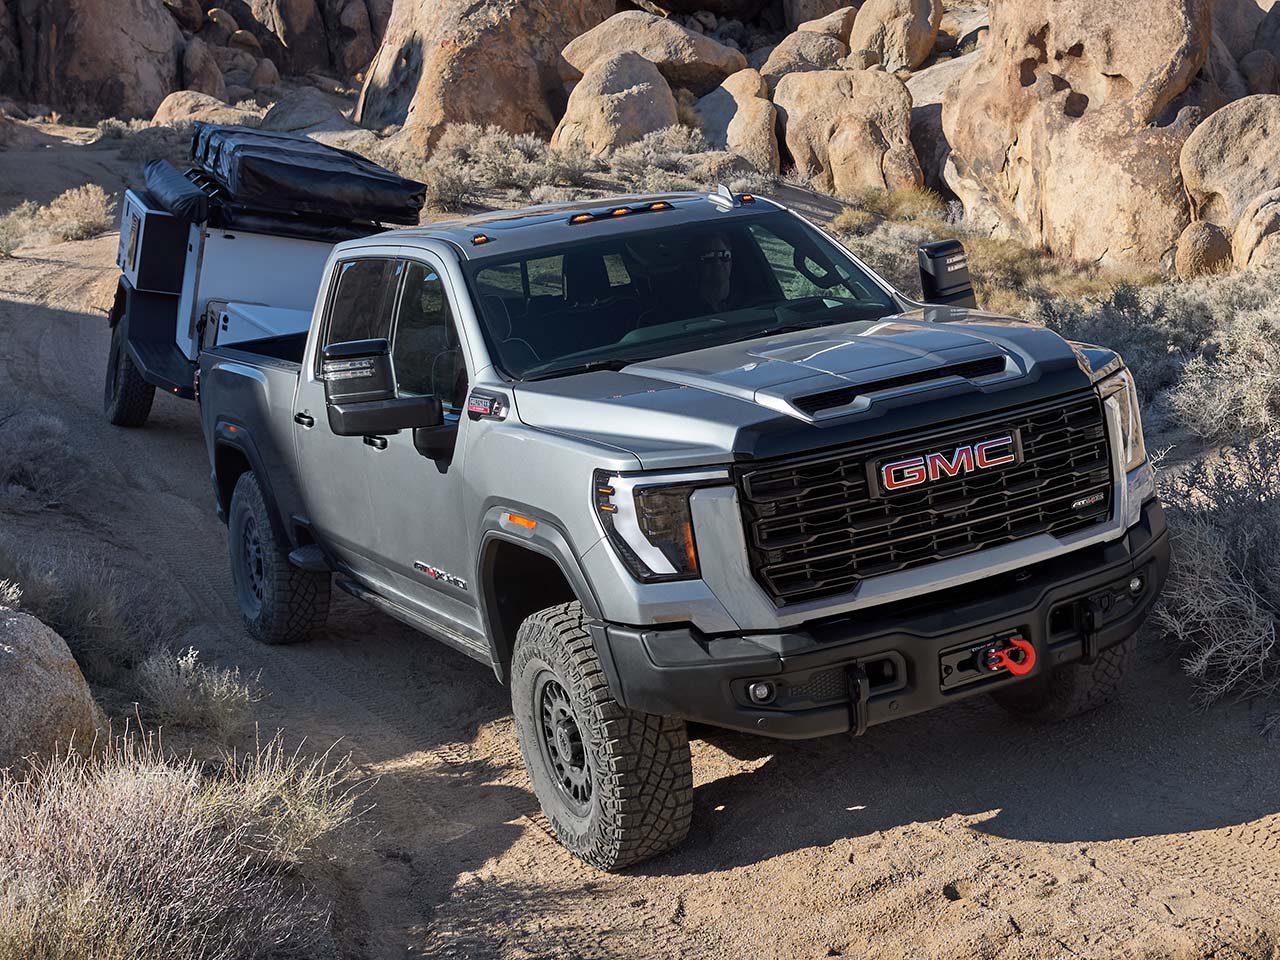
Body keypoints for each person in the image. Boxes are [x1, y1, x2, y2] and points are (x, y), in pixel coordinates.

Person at [688, 232, 735, 316]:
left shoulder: (751, 298)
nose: (717, 263)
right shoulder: (686, 311)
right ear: (695, 264)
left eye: (724, 255)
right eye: (708, 256)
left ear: (731, 261)